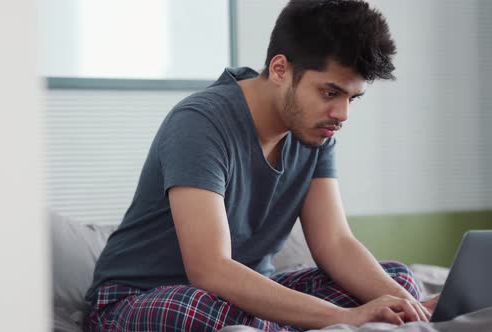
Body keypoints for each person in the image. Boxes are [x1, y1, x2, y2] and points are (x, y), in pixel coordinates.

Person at [85, 0, 439, 331]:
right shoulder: (199, 123)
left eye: (352, 98)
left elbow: (334, 242)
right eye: (330, 93)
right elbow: (210, 270)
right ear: (280, 69)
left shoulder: (317, 130)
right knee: (202, 307)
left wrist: (413, 308)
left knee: (397, 284)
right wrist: (344, 317)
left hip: (245, 296)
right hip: (135, 299)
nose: (342, 114)